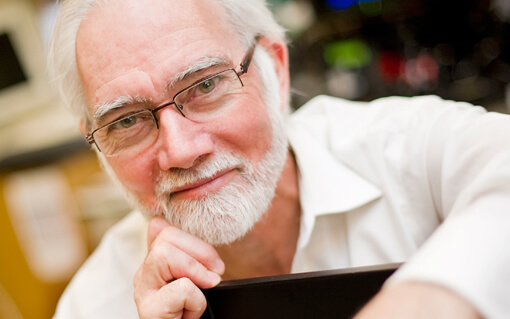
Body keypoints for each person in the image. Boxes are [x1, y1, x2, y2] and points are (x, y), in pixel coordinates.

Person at [48, 0, 510, 318]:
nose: (182, 151)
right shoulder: (95, 304)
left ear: (277, 70)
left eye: (206, 85)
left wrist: (430, 295)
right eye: (126, 121)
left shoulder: (405, 151)